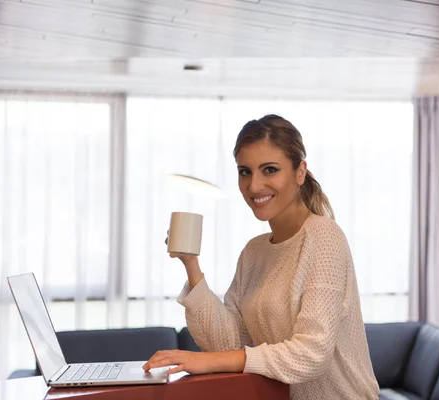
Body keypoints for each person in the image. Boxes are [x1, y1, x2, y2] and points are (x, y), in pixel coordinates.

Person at [143, 114, 380, 400]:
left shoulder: (325, 238)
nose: (254, 186)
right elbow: (227, 342)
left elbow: (311, 354)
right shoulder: (254, 252)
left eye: (270, 170)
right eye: (245, 172)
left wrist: (207, 363)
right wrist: (191, 264)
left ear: (300, 172)